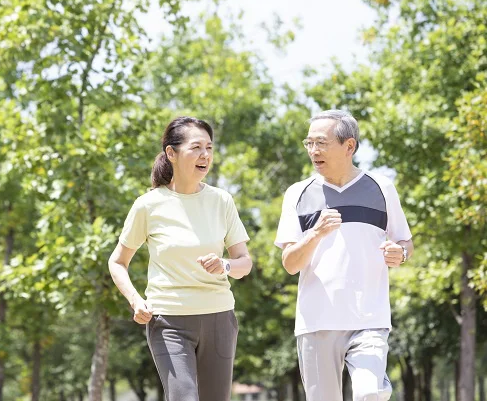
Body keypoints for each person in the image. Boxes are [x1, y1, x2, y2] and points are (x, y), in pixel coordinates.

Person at [108, 116, 252, 401]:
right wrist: (136, 300)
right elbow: (117, 262)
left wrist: (224, 265)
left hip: (219, 317)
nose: (205, 155)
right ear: (171, 153)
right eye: (196, 147)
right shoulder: (148, 205)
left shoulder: (221, 201)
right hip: (169, 321)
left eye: (209, 148)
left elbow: (244, 263)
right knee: (183, 396)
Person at [274, 110, 414, 401]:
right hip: (316, 322)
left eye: (321, 143)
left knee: (370, 393)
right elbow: (290, 263)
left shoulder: (382, 187)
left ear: (349, 146)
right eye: (309, 143)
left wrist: (400, 253)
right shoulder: (297, 193)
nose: (313, 150)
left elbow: (404, 241)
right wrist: (315, 234)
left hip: (369, 318)